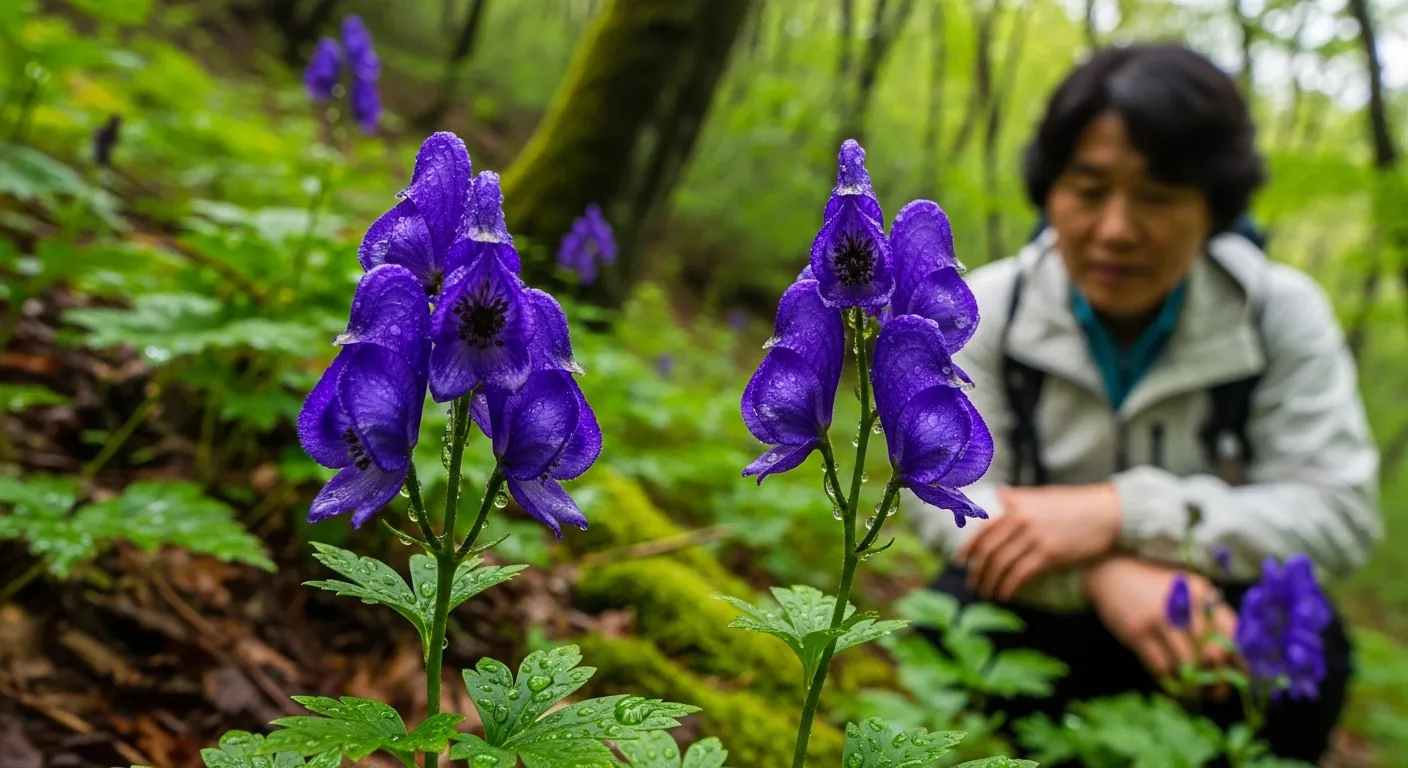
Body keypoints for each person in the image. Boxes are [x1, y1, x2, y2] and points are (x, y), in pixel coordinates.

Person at [904, 42, 1382, 762]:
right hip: (1036, 604)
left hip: (1208, 630)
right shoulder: (987, 307)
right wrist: (1102, 572)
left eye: (1158, 196)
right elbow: (939, 487)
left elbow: (1340, 511)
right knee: (952, 611)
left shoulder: (1277, 314)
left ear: (1214, 208)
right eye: (1089, 191)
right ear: (1050, 192)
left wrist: (1124, 513)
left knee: (1310, 652)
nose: (1117, 230)